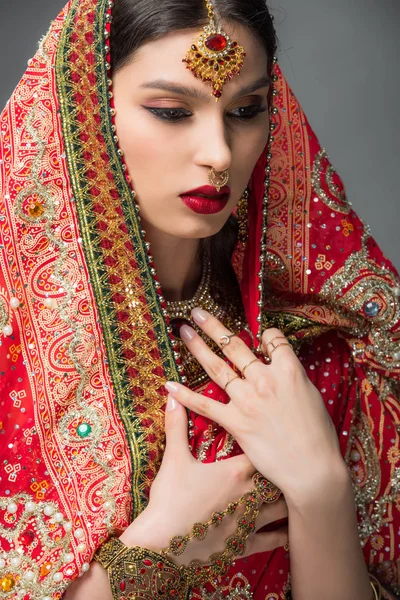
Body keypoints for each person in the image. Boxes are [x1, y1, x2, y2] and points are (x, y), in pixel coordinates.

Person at [0, 0, 398, 598]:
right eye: (170, 111)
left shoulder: (311, 359)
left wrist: (321, 490)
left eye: (245, 110)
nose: (218, 151)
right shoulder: (14, 350)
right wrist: (156, 552)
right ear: (83, 111)